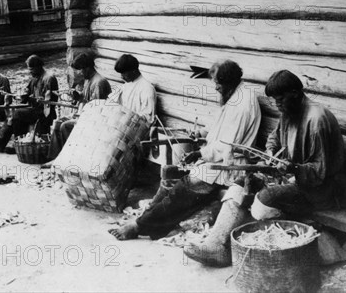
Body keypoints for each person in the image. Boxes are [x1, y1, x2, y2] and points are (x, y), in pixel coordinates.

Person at [184, 69, 344, 267]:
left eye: (280, 99)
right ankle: (215, 245)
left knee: (264, 199)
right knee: (242, 184)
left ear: (295, 93)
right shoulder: (289, 110)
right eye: (274, 100)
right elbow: (274, 138)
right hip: (293, 178)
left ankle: (274, 245)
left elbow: (320, 170)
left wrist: (293, 168)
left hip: (318, 191)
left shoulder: (316, 120)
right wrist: (270, 153)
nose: (277, 105)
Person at [109, 60, 261, 242]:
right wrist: (201, 132)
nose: (216, 88)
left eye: (217, 85)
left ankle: (139, 226)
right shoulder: (236, 95)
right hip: (217, 161)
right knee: (176, 185)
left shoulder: (242, 105)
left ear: (228, 82)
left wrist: (199, 154)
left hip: (229, 166)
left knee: (184, 189)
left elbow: (226, 147)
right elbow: (219, 125)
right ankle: (149, 224)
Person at [46, 52, 111, 162]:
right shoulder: (88, 80)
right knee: (58, 122)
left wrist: (79, 116)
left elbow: (98, 110)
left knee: (65, 126)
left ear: (88, 68)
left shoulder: (99, 83)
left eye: (81, 70)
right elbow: (86, 99)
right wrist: (78, 96)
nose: (80, 73)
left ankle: (72, 159)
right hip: (84, 116)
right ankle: (55, 159)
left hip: (94, 121)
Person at [3, 55, 59, 152]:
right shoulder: (35, 77)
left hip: (45, 113)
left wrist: (31, 99)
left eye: (31, 69)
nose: (30, 72)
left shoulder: (49, 78)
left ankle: (17, 144)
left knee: (18, 113)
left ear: (38, 67)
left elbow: (48, 103)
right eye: (29, 69)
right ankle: (11, 142)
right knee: (15, 115)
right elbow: (27, 92)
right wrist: (21, 96)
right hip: (36, 109)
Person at [108, 54, 157, 124]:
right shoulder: (125, 85)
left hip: (136, 130)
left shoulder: (147, 89)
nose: (121, 77)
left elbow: (149, 119)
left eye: (124, 73)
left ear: (134, 71)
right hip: (121, 125)